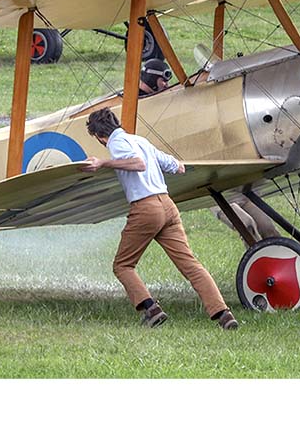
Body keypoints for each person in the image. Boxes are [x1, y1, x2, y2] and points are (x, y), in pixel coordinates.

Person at [80, 108, 239, 330]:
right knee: (191, 265)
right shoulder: (140, 140)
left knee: (123, 265)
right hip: (167, 205)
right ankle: (223, 314)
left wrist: (103, 164)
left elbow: (138, 164)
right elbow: (176, 166)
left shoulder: (115, 143)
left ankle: (151, 309)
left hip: (146, 208)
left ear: (99, 136)